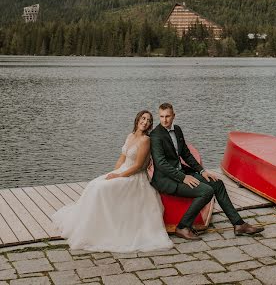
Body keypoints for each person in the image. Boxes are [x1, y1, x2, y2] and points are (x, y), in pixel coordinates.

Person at [52, 110, 172, 252]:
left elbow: (138, 166)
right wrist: (114, 172)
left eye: (148, 120)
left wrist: (119, 177)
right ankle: (91, 224)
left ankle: (101, 228)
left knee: (100, 189)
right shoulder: (130, 136)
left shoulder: (145, 140)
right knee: (94, 184)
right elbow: (122, 158)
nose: (145, 122)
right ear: (138, 119)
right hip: (122, 171)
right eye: (143, 118)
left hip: (134, 177)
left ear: (150, 125)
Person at [150, 102, 264, 241]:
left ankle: (239, 224)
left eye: (167, 116)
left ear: (174, 115)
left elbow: (186, 154)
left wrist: (202, 171)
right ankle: (182, 227)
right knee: (207, 191)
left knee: (218, 184)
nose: (165, 120)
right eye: (161, 116)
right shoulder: (156, 135)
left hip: (182, 173)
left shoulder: (177, 130)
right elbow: (161, 164)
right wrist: (183, 178)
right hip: (167, 180)